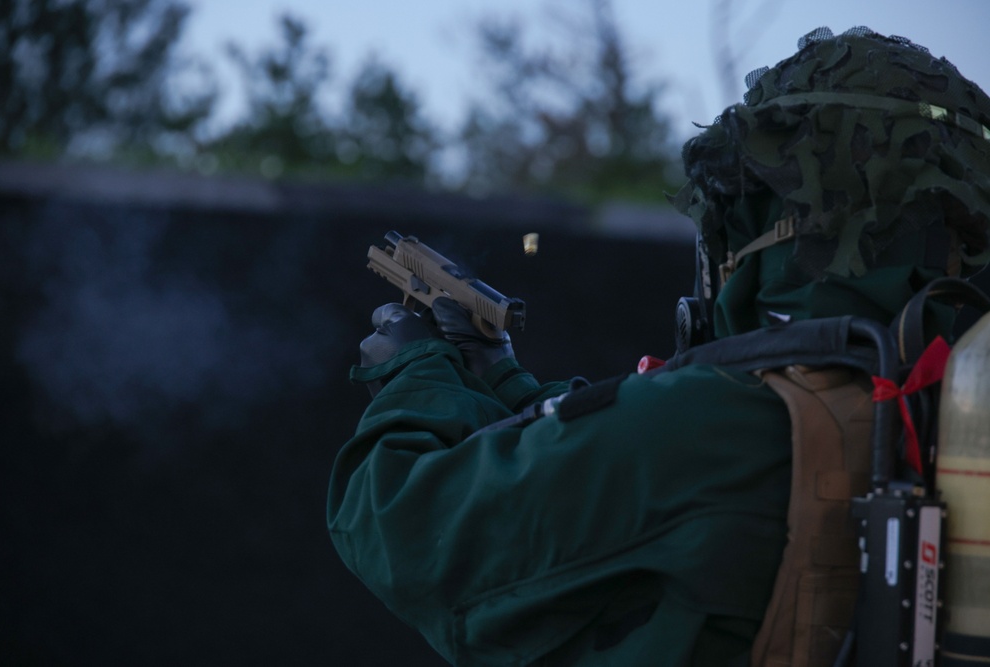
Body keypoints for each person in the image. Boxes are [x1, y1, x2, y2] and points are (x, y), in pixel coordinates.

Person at [328, 27, 990, 666]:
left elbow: (403, 524)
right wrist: (499, 375)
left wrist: (413, 372)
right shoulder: (940, 397)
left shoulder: (720, 423)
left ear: (770, 223)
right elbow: (609, 462)